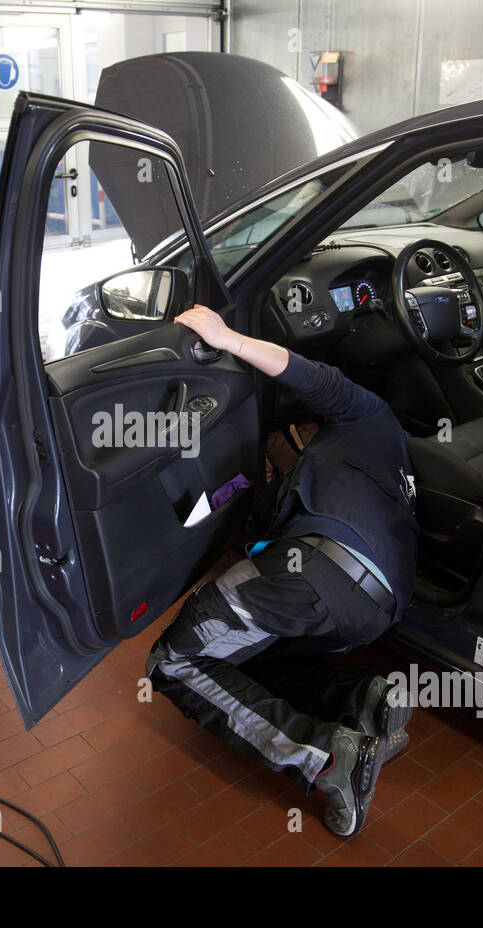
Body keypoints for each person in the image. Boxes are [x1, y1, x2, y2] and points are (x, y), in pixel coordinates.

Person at [144, 304, 419, 838]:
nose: (272, 459)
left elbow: (310, 376)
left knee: (174, 660)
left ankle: (326, 759)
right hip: (376, 610)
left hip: (324, 570)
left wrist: (228, 337)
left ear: (302, 430)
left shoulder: (364, 415)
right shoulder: (384, 455)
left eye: (278, 446)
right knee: (249, 651)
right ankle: (366, 699)